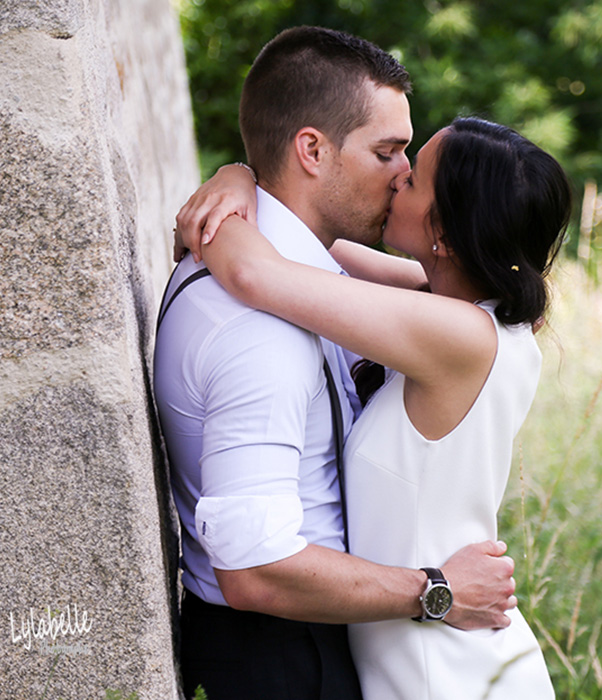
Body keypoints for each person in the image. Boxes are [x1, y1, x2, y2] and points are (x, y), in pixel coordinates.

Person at [156, 27, 516, 700]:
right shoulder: (259, 333)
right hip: (283, 656)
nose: (404, 173)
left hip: (322, 634)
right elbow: (255, 570)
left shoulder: (305, 276)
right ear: (313, 150)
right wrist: (436, 591)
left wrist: (237, 178)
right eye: (387, 151)